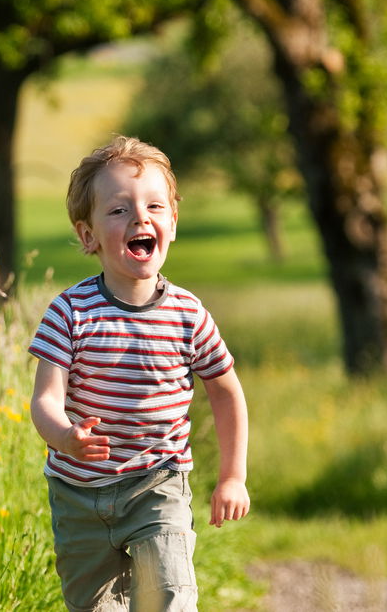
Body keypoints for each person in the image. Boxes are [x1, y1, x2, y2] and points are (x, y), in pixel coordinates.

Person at [28, 136, 250, 612]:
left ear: (172, 222)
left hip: (158, 483)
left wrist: (232, 475)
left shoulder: (188, 314)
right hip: (78, 494)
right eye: (118, 210)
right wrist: (64, 435)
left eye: (154, 205)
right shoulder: (69, 312)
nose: (140, 218)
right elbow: (45, 398)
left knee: (168, 595)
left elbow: (226, 393)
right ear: (88, 236)